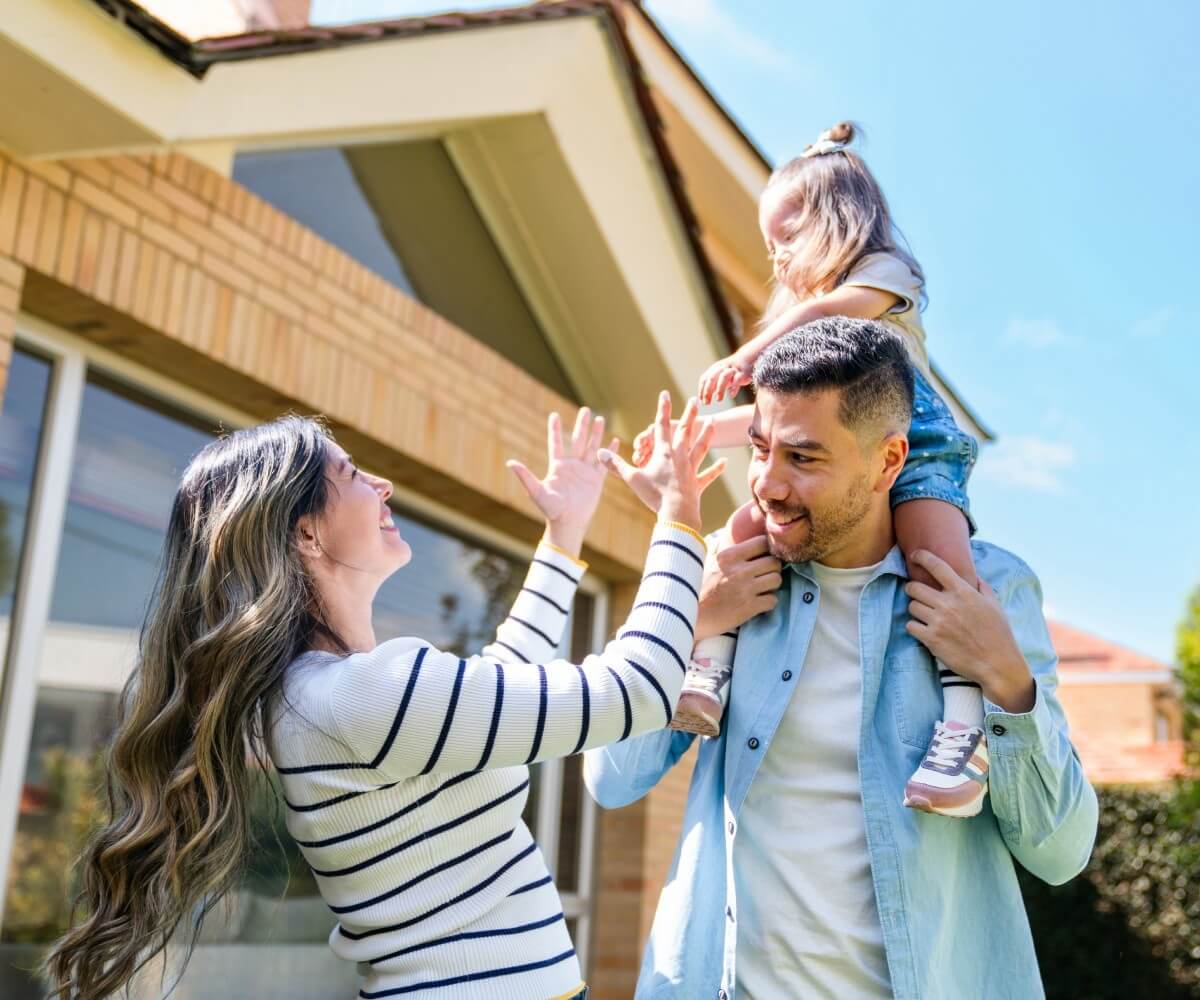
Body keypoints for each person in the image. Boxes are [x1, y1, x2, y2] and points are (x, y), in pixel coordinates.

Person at [45, 394, 725, 1000]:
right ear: (306, 534)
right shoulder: (362, 696)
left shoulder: (330, 695)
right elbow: (636, 689)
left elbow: (495, 691)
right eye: (352, 475)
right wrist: (680, 519)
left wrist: (564, 534)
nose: (384, 484)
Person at [588, 320, 1099, 1000]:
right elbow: (610, 778)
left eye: (803, 459)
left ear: (889, 461)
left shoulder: (990, 592)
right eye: (761, 449)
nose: (766, 484)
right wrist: (690, 621)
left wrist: (1006, 680)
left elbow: (1061, 853)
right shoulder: (719, 577)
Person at [637, 122, 987, 815]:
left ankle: (964, 723)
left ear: (839, 217)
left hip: (920, 453)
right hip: (853, 456)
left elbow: (832, 308)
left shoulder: (887, 275)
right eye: (771, 245)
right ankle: (708, 665)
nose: (778, 255)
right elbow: (779, 428)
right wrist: (693, 437)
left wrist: (748, 353)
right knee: (742, 529)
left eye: (787, 235)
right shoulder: (805, 322)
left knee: (941, 574)